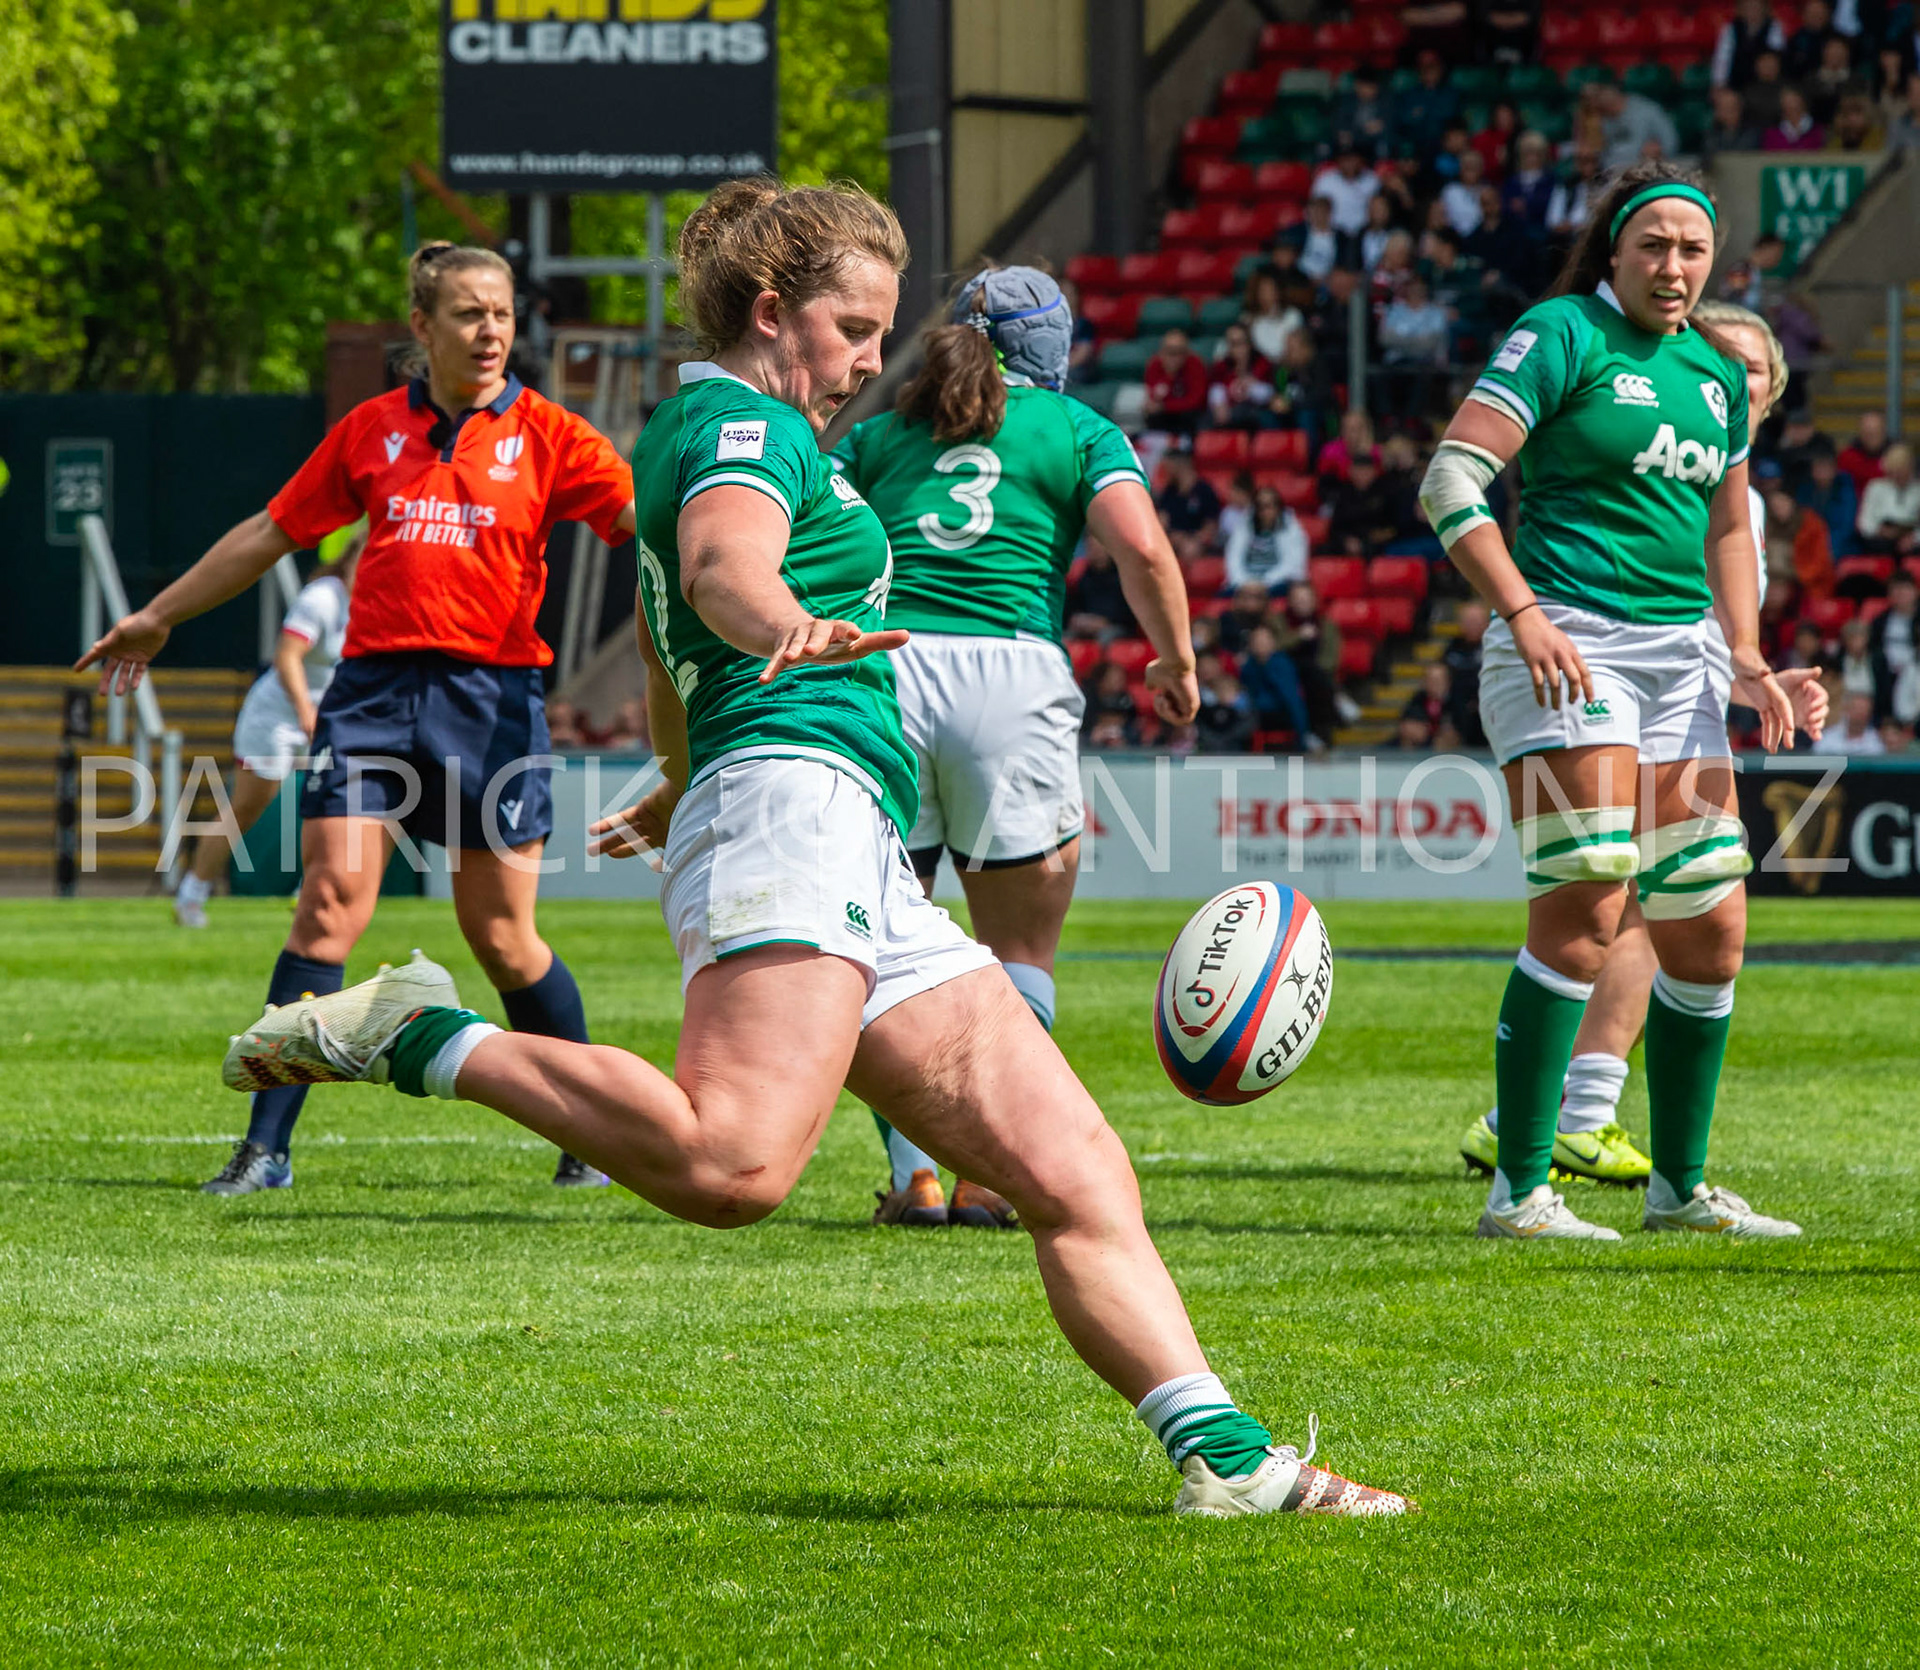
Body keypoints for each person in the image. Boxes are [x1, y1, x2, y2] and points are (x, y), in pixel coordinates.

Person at [218, 176, 1409, 1518]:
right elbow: (725, 573)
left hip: (829, 817)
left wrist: (679, 777)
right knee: (735, 1164)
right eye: (855, 325)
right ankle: (422, 1034)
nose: (868, 357)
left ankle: (1229, 1459)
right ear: (773, 311)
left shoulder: (736, 428)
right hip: (795, 804)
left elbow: (677, 646)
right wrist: (785, 621)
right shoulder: (734, 422)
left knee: (1074, 1168)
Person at [81, 239, 636, 1196]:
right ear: (422, 329)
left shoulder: (553, 435)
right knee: (329, 907)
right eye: (468, 313)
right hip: (372, 695)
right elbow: (269, 533)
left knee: (502, 939)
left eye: (502, 313)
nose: (491, 330)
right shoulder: (372, 430)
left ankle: (584, 1133)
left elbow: (649, 526)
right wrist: (158, 613)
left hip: (492, 703)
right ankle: (265, 1151)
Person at [1420, 164, 1825, 1239]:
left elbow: (1732, 529)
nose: (1674, 265)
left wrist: (1747, 652)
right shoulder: (1560, 333)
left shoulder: (1715, 375)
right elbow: (1451, 480)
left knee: (1710, 924)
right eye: (1654, 244)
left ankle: (1679, 1187)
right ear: (1613, 250)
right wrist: (1522, 612)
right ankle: (1519, 1189)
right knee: (1592, 904)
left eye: (1692, 249)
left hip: (1682, 663)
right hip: (1569, 645)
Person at [828, 263, 1199, 1227]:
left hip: (890, 669)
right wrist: (1176, 660)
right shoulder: (1079, 431)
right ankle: (987, 1177)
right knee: (1018, 949)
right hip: (1012, 676)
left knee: (878, 938)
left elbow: (812, 536)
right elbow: (1144, 549)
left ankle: (913, 1176)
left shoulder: (877, 434)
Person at [173, 526, 363, 929]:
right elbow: (287, 657)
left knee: (343, 804)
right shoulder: (322, 598)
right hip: (276, 714)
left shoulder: (375, 603)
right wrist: (305, 711)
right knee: (248, 806)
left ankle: (313, 892)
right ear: (350, 558)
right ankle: (191, 894)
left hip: (326, 715)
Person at [1223, 484, 1308, 591]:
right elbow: (1233, 560)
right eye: (1259, 506)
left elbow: (1292, 565)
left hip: (1278, 583)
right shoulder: (1244, 524)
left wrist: (1264, 582)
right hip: (1244, 584)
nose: (1264, 511)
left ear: (1278, 508)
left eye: (1268, 506)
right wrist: (1245, 582)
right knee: (1220, 599)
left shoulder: (1291, 527)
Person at [1141, 329, 1209, 438]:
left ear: (1186, 352)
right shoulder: (1154, 365)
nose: (1175, 357)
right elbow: (1154, 397)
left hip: (1189, 417)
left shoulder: (1195, 364)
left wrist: (1165, 406)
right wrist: (1169, 376)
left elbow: (1196, 401)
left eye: (1180, 352)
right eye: (1170, 352)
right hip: (1164, 416)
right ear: (1162, 352)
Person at [1857, 442, 1920, 553]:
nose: (1899, 475)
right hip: (1880, 542)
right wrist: (1880, 532)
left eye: (1903, 471)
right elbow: (1864, 523)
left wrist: (1914, 538)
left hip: (1912, 543)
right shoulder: (1875, 487)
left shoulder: (1917, 489)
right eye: (1895, 472)